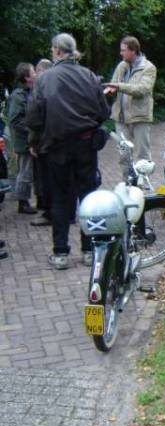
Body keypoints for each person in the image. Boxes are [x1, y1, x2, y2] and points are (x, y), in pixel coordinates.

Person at [26, 33, 110, 270]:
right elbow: (103, 112)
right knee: (88, 197)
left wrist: (34, 142)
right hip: (85, 145)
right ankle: (88, 250)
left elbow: (34, 115)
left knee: (61, 198)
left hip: (57, 147)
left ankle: (61, 253)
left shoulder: (45, 79)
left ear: (57, 51)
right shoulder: (89, 76)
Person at [103, 36, 156, 179]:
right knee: (124, 155)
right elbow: (114, 83)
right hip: (120, 118)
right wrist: (109, 90)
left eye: (123, 50)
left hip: (140, 117)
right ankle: (127, 184)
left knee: (142, 157)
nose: (121, 53)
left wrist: (119, 87)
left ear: (133, 51)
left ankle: (142, 187)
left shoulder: (148, 68)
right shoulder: (121, 66)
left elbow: (142, 90)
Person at [8, 62, 37, 214]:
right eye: (33, 72)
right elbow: (14, 120)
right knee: (25, 172)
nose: (35, 74)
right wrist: (31, 129)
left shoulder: (29, 92)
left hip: (29, 140)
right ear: (26, 77)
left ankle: (24, 200)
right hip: (24, 142)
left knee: (28, 171)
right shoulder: (18, 96)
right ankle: (22, 202)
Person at [30, 58, 54, 226]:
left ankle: (49, 213)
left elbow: (34, 117)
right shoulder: (58, 86)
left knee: (47, 179)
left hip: (45, 141)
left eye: (36, 71)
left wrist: (33, 142)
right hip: (59, 139)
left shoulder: (40, 88)